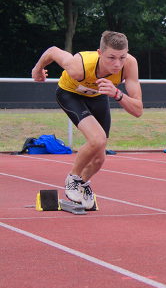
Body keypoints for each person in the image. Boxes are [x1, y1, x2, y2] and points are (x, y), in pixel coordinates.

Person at [31, 31, 143, 208]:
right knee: (97, 138)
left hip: (98, 96)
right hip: (70, 94)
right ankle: (73, 179)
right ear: (99, 53)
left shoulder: (129, 65)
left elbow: (138, 110)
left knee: (99, 159)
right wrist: (37, 69)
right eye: (111, 58)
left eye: (122, 57)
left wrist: (117, 94)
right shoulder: (79, 65)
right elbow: (53, 51)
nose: (117, 64)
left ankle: (82, 183)